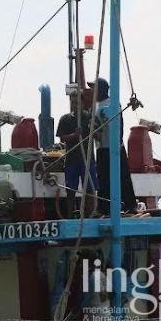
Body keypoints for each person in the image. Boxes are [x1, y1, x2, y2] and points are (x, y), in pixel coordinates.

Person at [89, 78, 138, 215]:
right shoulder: (94, 107)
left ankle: (130, 204)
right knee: (103, 178)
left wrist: (117, 143)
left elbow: (120, 125)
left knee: (123, 176)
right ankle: (104, 207)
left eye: (94, 88)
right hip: (101, 148)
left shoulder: (114, 103)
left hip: (115, 146)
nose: (92, 91)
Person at [56, 95, 98, 217]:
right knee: (70, 190)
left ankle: (89, 214)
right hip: (71, 160)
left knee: (90, 189)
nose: (75, 105)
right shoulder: (65, 119)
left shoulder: (90, 117)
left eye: (77, 102)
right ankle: (70, 215)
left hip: (87, 160)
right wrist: (75, 135)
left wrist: (93, 129)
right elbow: (62, 137)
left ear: (83, 103)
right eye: (73, 102)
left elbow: (97, 135)